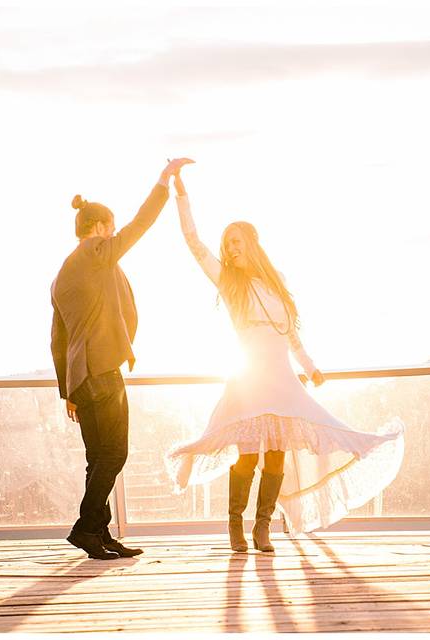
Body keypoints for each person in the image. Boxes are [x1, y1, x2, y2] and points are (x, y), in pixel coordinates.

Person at [166, 163, 404, 552]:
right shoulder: (229, 283)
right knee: (247, 458)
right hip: (248, 380)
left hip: (282, 379)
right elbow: (193, 241)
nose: (230, 247)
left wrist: (309, 367)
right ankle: (234, 526)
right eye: (227, 242)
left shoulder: (275, 284)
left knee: (276, 457)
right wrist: (180, 191)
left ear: (252, 244)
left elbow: (290, 333)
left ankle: (263, 527)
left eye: (237, 240)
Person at [51, 157, 192, 560]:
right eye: (109, 228)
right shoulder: (96, 253)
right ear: (98, 228)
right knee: (115, 453)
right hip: (102, 372)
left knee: (98, 457)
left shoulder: (61, 275)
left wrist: (68, 392)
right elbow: (139, 226)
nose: (113, 236)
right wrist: (163, 183)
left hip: (81, 378)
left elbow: (57, 341)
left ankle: (100, 533)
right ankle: (84, 527)